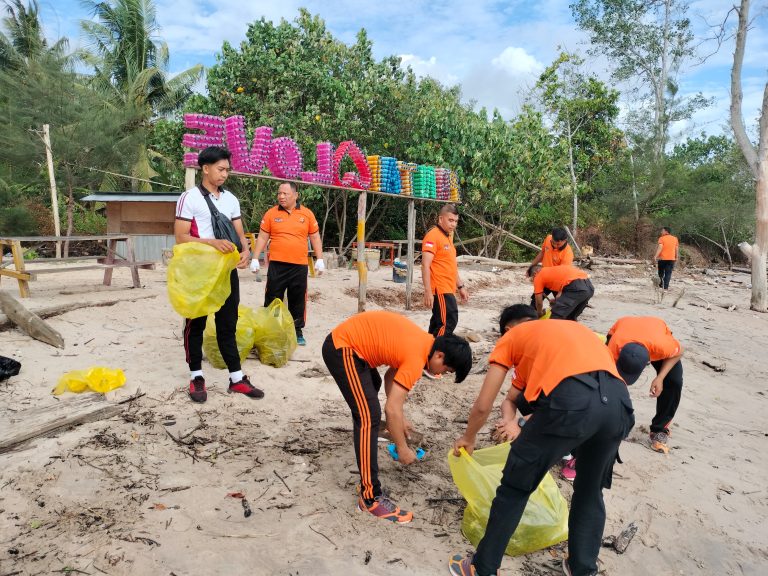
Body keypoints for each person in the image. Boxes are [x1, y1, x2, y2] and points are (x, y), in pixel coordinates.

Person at [449, 319, 635, 576]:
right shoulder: (565, 336)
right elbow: (519, 399)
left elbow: (484, 403)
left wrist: (469, 437)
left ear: (507, 330)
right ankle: (582, 569)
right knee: (590, 491)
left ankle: (482, 568)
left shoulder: (512, 339)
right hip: (619, 405)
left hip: (573, 402)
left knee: (514, 489)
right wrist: (513, 420)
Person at [322, 310, 472, 524]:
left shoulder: (423, 342)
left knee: (370, 390)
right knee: (367, 417)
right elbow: (391, 408)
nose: (441, 375)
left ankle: (367, 474)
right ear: (439, 356)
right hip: (343, 349)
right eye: (445, 370)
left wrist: (400, 419)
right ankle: (370, 497)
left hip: (351, 348)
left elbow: (390, 377)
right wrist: (402, 448)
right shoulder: (416, 357)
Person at [174, 146, 262, 403]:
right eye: (221, 169)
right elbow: (180, 237)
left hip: (225, 272)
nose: (225, 174)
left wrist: (245, 251)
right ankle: (196, 376)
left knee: (227, 324)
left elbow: (239, 233)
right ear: (206, 168)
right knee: (196, 324)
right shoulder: (189, 198)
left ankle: (236, 378)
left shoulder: (231, 199)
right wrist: (212, 243)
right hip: (199, 273)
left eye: (227, 170)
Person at [250, 181, 324, 346]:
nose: (281, 197)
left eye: (285, 194)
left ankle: (296, 330)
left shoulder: (307, 214)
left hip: (299, 265)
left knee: (297, 298)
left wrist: (320, 259)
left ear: (296, 195)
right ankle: (269, 329)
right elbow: (262, 237)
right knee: (272, 296)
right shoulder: (271, 213)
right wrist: (255, 257)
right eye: (279, 194)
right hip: (277, 264)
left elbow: (315, 237)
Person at [606, 316, 684, 454]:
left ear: (648, 362)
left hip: (656, 332)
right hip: (624, 327)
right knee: (609, 378)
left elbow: (680, 351)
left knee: (674, 381)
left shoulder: (662, 347)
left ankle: (659, 430)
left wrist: (660, 377)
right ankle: (610, 419)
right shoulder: (613, 347)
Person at [422, 204, 469, 336]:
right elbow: (425, 265)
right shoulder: (432, 236)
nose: (453, 224)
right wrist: (428, 291)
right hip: (440, 289)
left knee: (438, 323)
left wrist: (460, 286)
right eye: (450, 220)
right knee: (448, 322)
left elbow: (450, 265)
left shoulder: (448, 236)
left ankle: (428, 351)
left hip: (449, 288)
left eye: (455, 221)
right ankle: (438, 352)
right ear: (440, 219)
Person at [529, 264, 594, 320]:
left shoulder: (538, 276)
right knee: (570, 318)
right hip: (589, 287)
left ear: (535, 273)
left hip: (576, 288)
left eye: (531, 278)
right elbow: (564, 288)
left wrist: (539, 313)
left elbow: (539, 302)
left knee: (556, 316)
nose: (532, 280)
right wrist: (557, 300)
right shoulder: (555, 271)